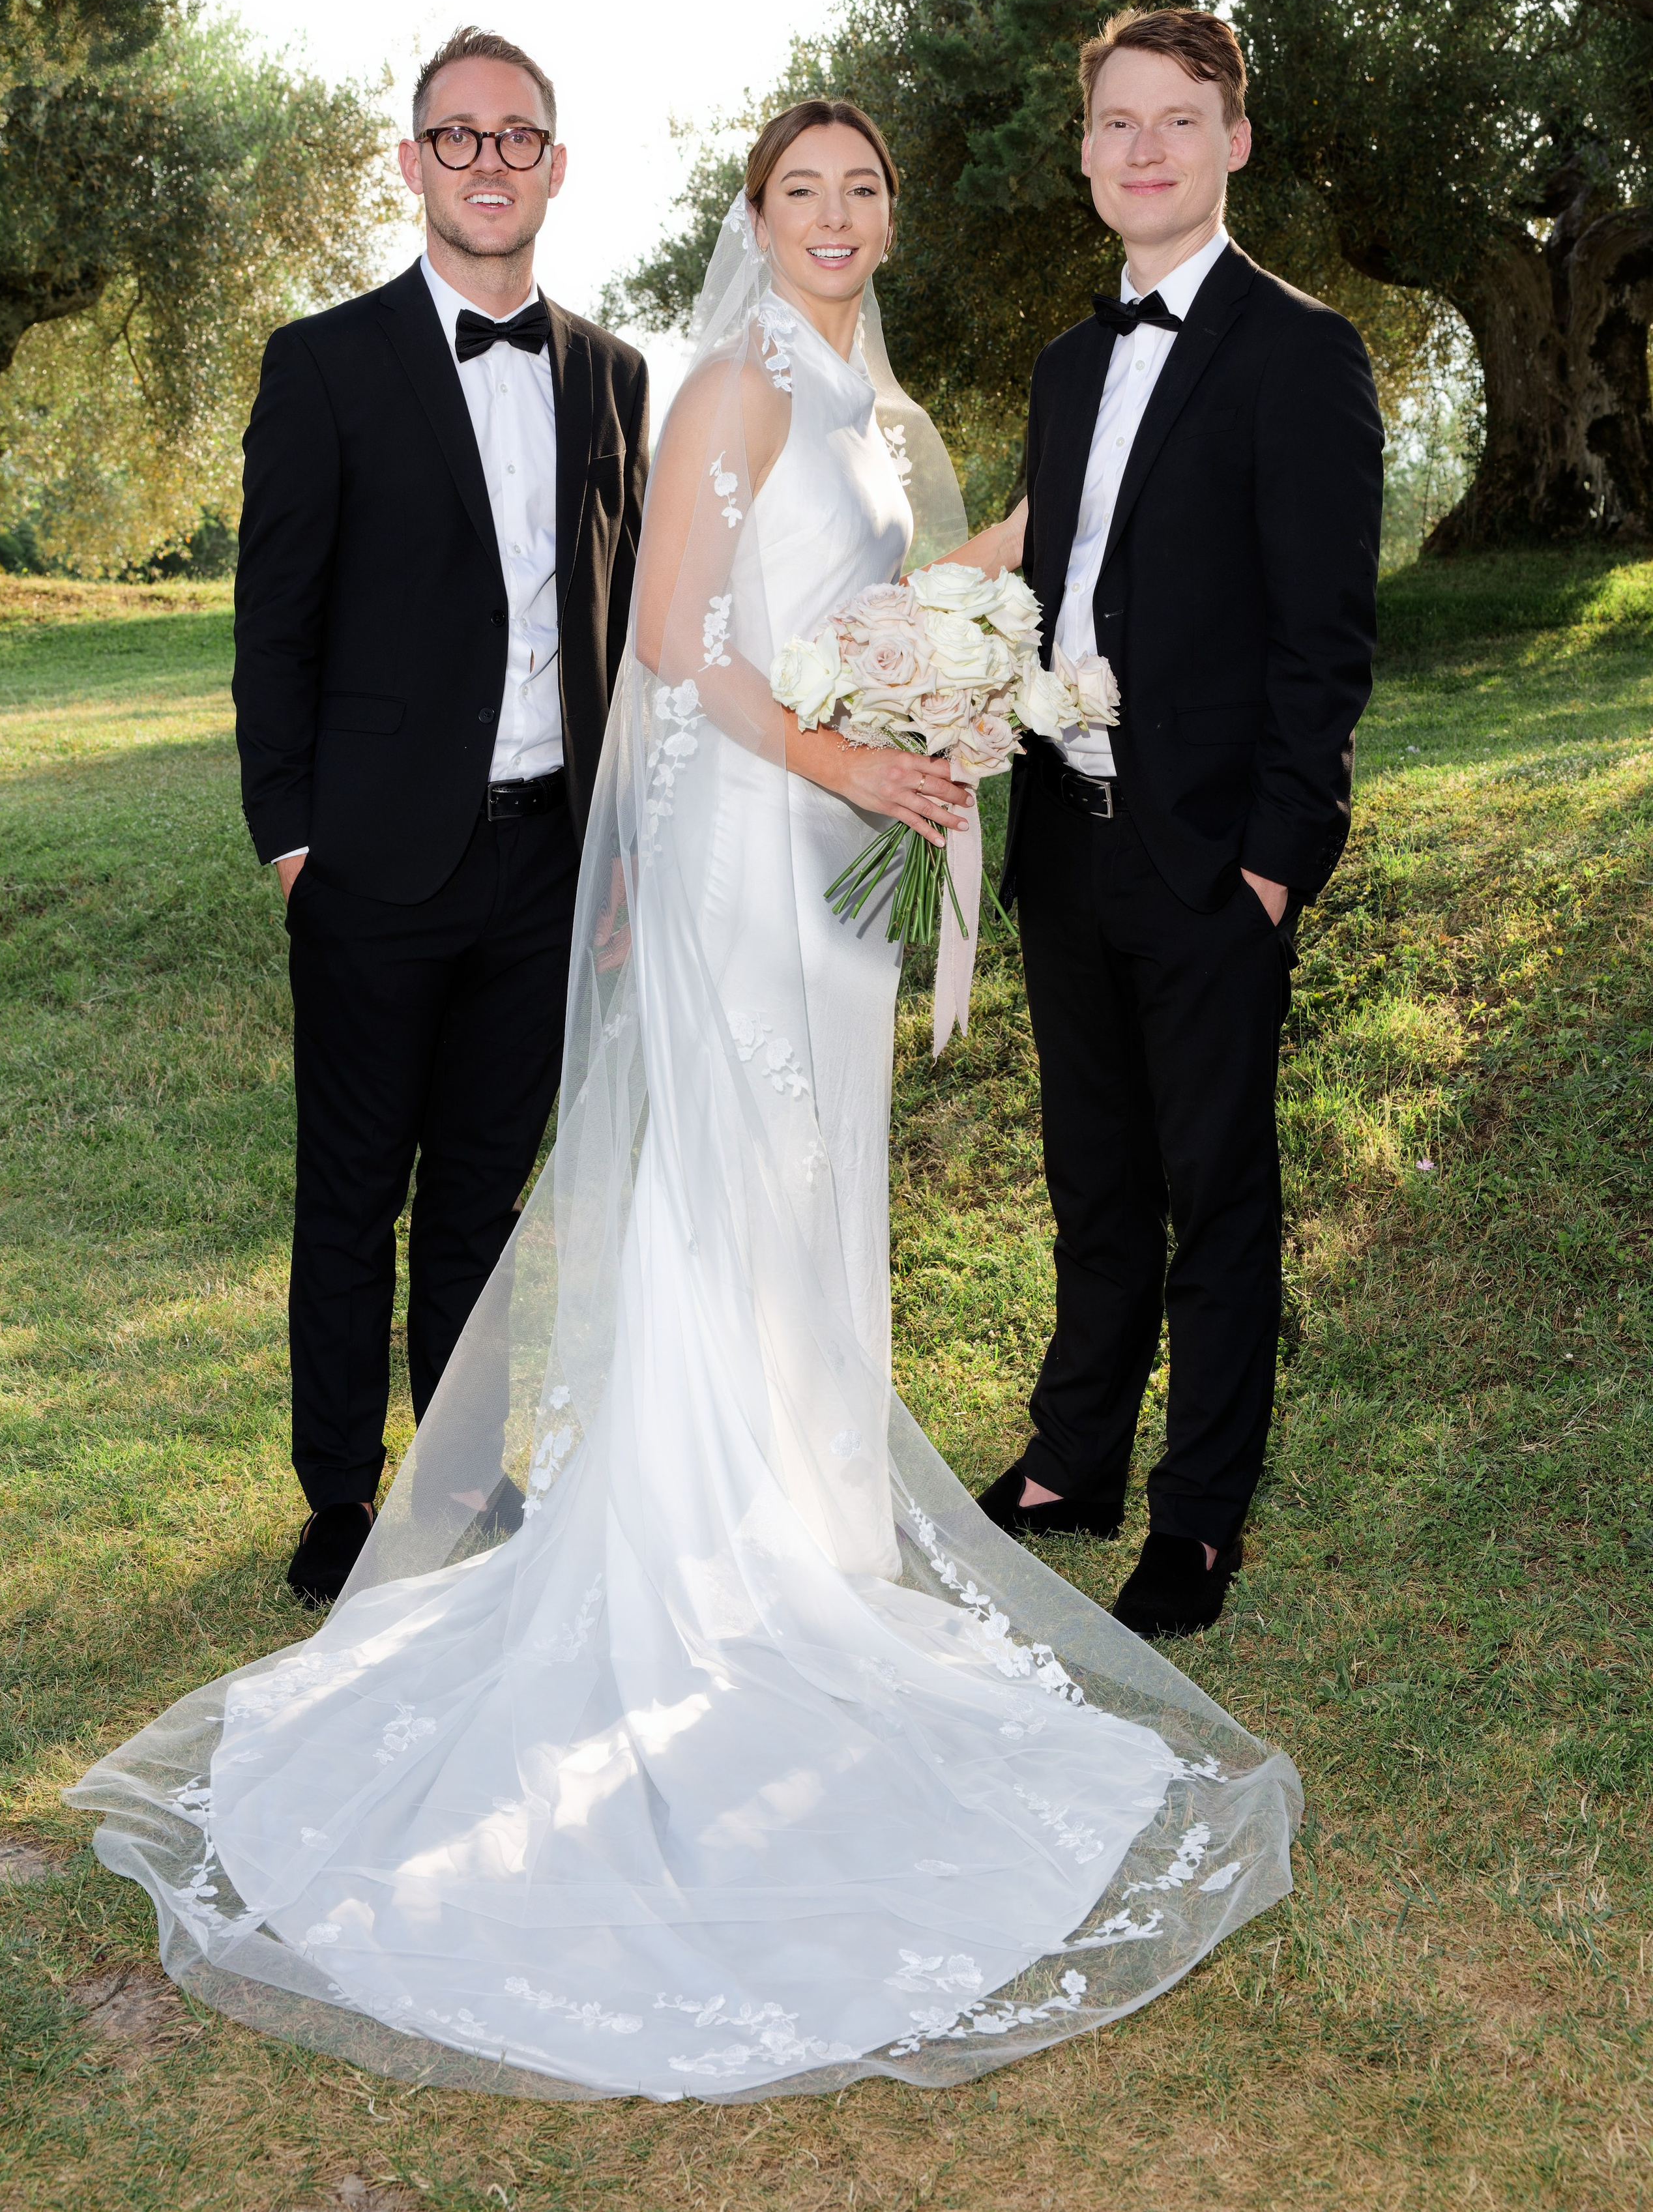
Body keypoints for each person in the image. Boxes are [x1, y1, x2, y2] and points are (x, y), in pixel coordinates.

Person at [70, 100, 1301, 2102]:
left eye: (864, 191)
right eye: (801, 193)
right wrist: (849, 759)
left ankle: (805, 1532)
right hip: (755, 843)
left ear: (895, 214)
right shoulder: (726, 391)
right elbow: (671, 647)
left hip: (842, 881)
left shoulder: (890, 414)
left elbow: (928, 582)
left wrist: (991, 631)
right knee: (730, 1184)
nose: (836, 219)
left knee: (820, 1195)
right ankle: (698, 1549)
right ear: (759, 219)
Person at [231, 25, 649, 1605]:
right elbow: (274, 629)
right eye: (457, 136)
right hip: (372, 857)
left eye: (516, 135)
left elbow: (614, 630)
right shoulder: (323, 363)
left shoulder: (615, 373)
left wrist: (614, 846)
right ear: (411, 163)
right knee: (352, 1189)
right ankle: (342, 1494)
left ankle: (461, 1471)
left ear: (554, 163)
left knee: (481, 1193)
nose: (487, 161)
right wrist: (293, 841)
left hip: (548, 857)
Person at [979, 8, 1382, 1639]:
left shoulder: (1301, 352)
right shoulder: (1069, 364)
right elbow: (1052, 579)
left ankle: (1196, 1515)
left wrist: (1274, 859)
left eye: (1177, 119)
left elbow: (1322, 641)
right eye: (1116, 123)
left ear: (1230, 143)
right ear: (1084, 156)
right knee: (1092, 1179)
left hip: (1213, 858)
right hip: (1064, 846)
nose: (1142, 148)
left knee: (1216, 1196)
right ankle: (1071, 1461)